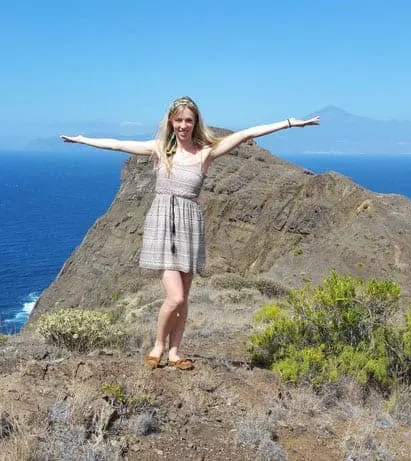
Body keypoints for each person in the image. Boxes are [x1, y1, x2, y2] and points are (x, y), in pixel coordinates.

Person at [60, 96, 319, 370]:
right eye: (179, 120)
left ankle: (175, 352)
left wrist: (291, 123)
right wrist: (82, 139)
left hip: (189, 225)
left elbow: (247, 134)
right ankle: (158, 346)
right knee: (176, 297)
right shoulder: (161, 150)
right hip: (162, 223)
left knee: (185, 297)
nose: (183, 125)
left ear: (195, 123)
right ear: (171, 122)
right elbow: (118, 144)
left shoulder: (206, 153)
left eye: (188, 120)